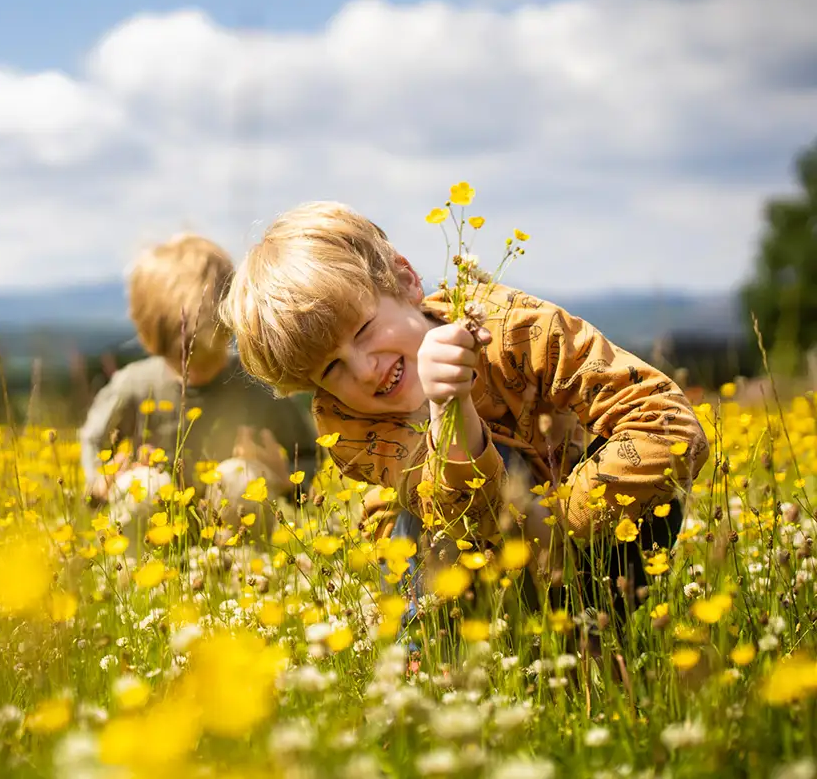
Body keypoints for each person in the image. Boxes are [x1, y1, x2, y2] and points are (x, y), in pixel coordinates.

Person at [220, 201, 711, 627]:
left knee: (653, 480)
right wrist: (447, 408)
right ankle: (429, 670)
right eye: (331, 368)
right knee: (424, 509)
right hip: (454, 578)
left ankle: (601, 630)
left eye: (364, 330)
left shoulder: (513, 327)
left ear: (406, 280)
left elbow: (668, 423)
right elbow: (464, 515)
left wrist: (558, 528)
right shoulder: (344, 422)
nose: (365, 371)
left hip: (580, 547)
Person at [79, 233, 318, 543]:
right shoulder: (133, 386)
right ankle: (137, 579)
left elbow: (310, 454)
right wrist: (101, 481)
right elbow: (93, 440)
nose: (194, 365)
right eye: (180, 353)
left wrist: (288, 482)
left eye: (208, 350)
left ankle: (242, 572)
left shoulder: (258, 387)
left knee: (241, 479)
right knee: (141, 485)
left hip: (235, 538)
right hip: (155, 534)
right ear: (153, 335)